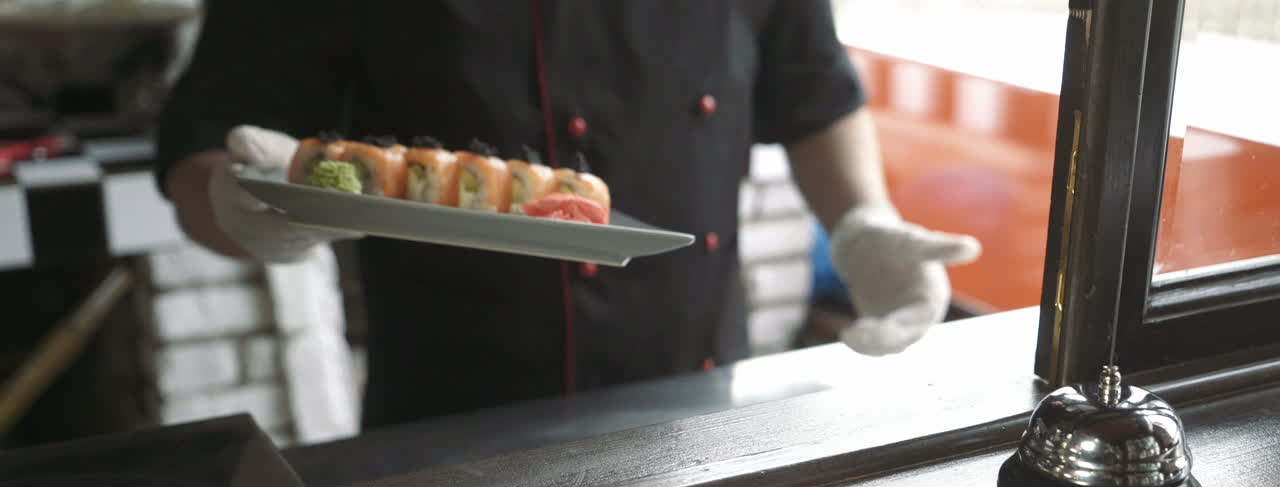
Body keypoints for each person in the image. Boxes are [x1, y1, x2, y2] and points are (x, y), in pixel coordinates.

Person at [156, 0, 981, 432]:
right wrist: (240, 207)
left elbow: (816, 92)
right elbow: (206, 143)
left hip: (701, 409)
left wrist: (862, 221)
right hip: (448, 432)